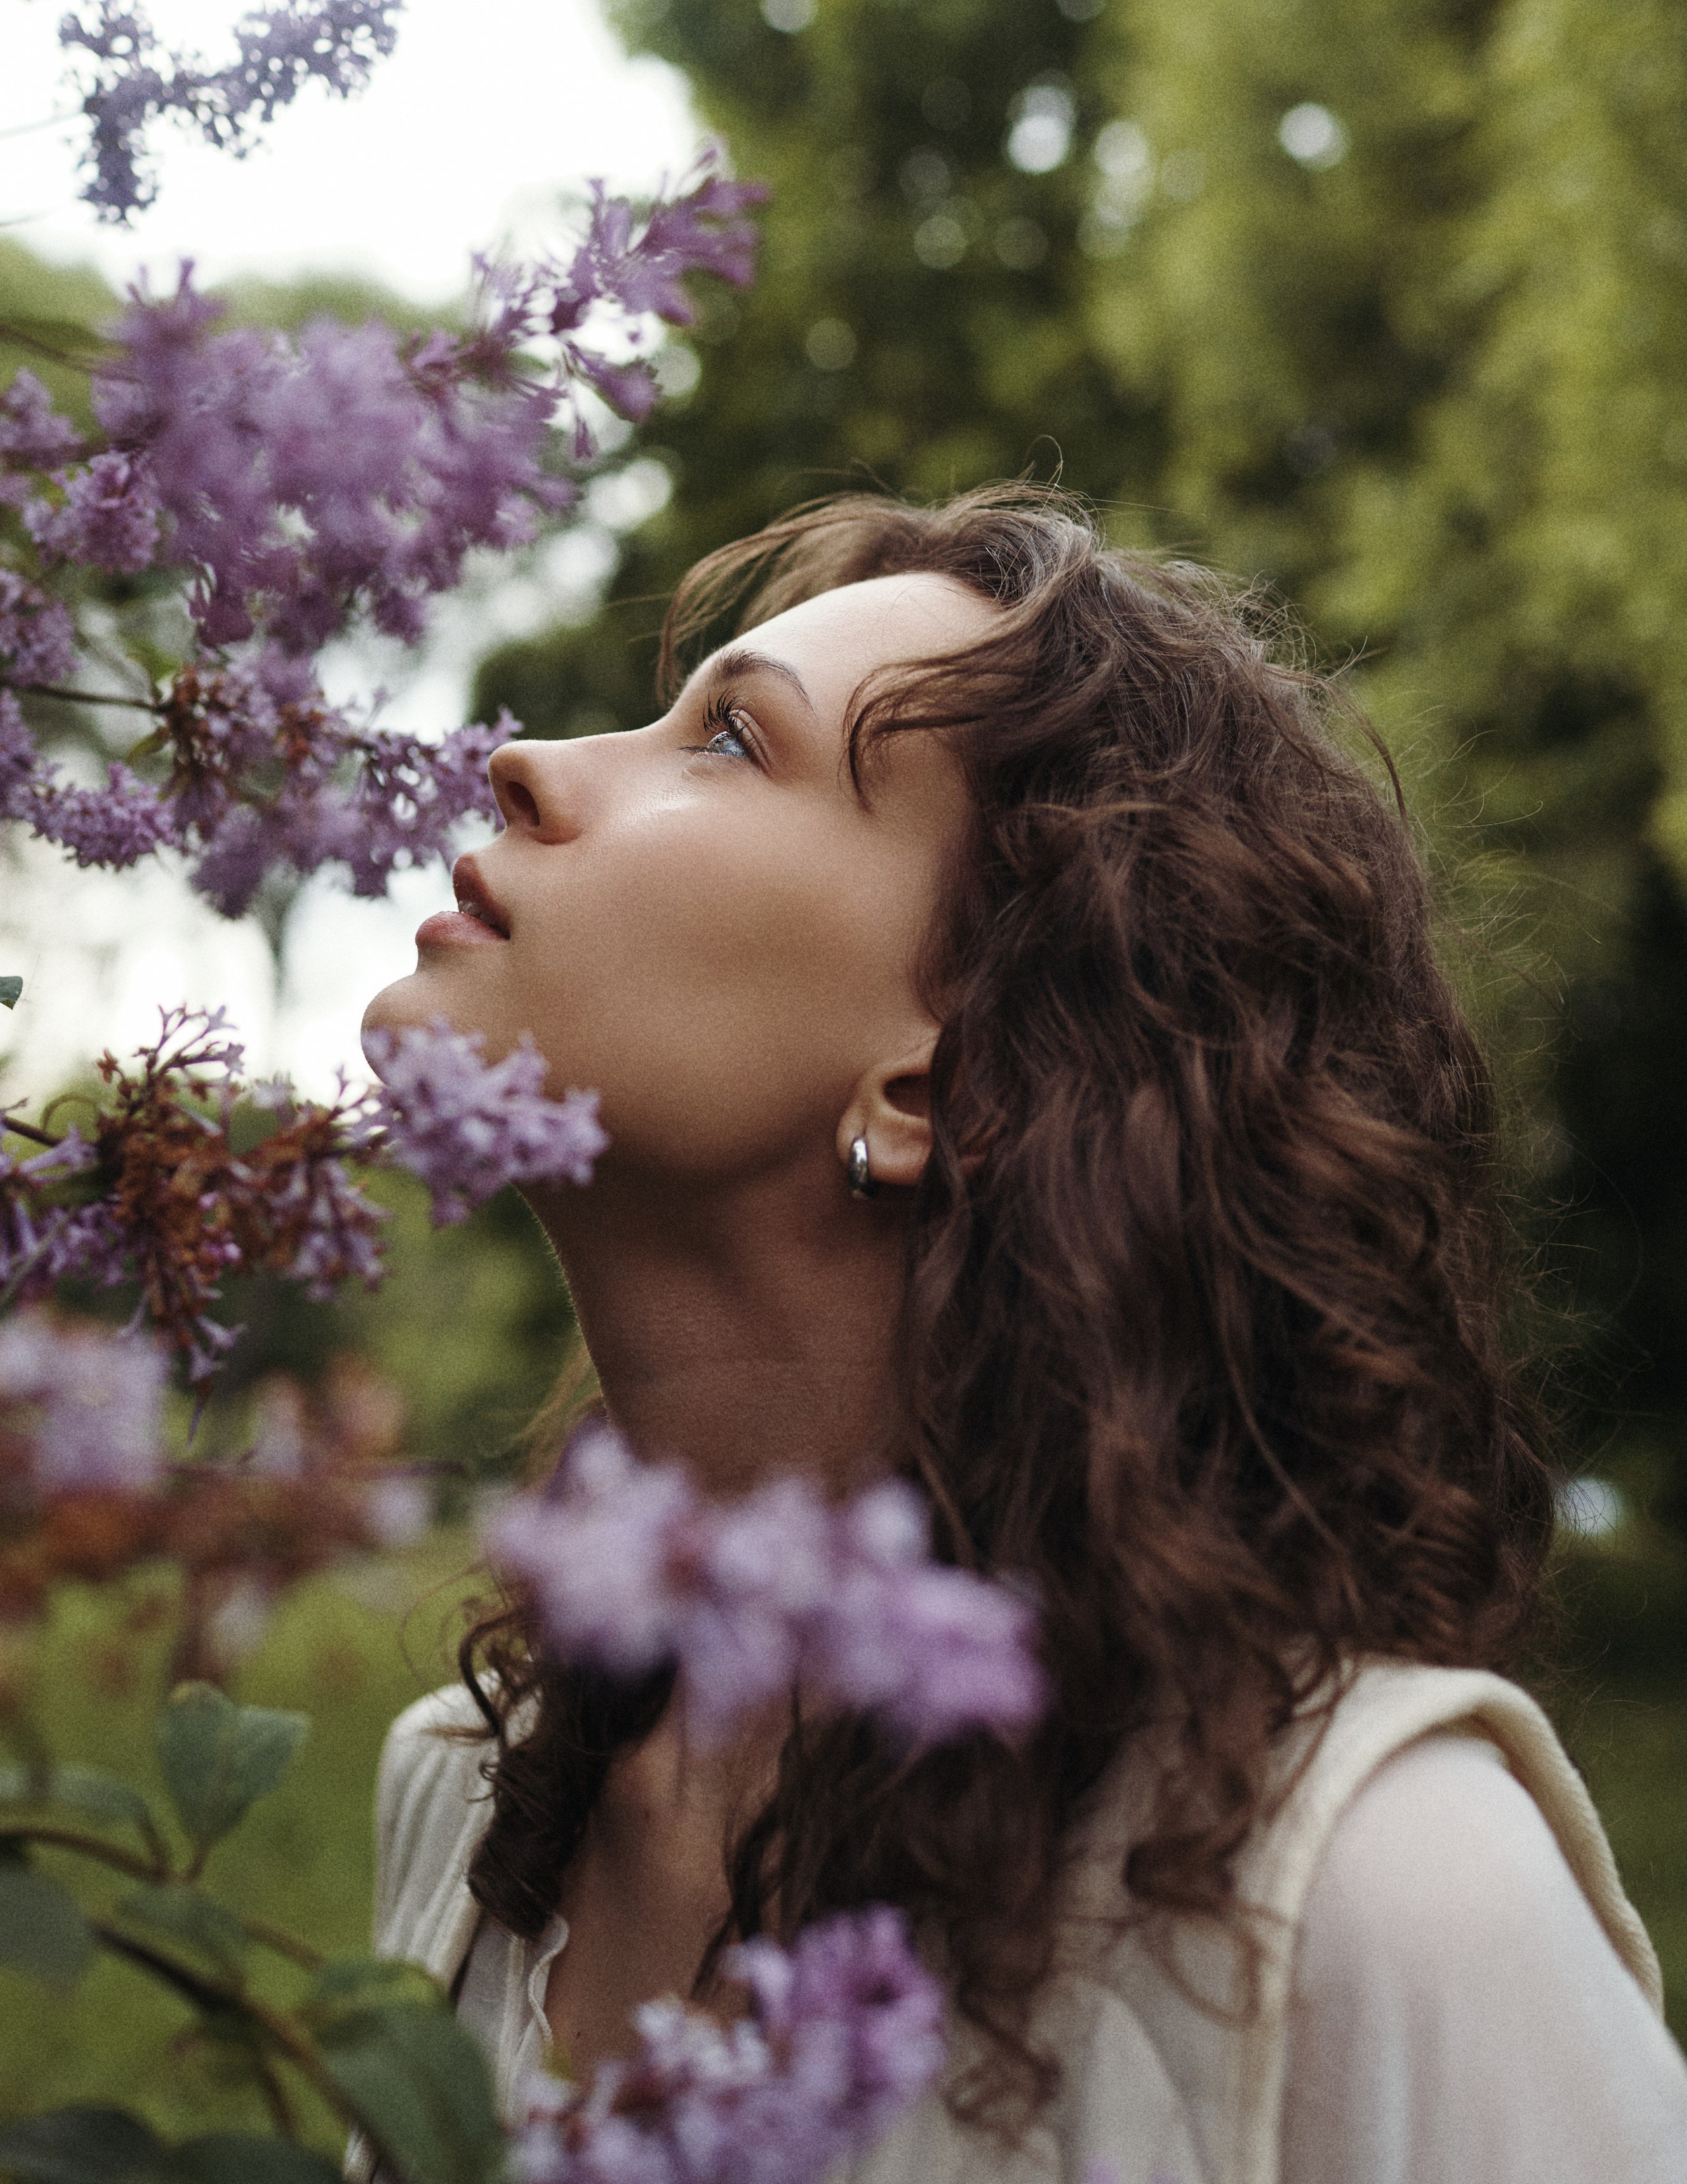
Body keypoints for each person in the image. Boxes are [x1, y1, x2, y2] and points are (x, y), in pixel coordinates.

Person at [357, 488, 1687, 2184]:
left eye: (731, 741)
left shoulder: (1365, 1896)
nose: (528, 759)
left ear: (938, 1072)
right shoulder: (462, 1808)